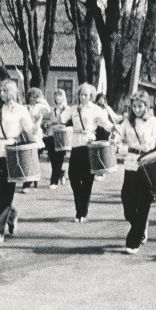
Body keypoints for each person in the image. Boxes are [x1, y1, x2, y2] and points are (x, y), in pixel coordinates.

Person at [113, 91, 156, 254]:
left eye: (140, 106)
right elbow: (118, 134)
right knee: (127, 200)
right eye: (134, 106)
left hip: (148, 164)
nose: (137, 109)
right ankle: (140, 226)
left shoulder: (154, 122)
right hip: (131, 163)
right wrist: (115, 138)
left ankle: (133, 242)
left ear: (146, 106)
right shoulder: (127, 122)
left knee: (144, 202)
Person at [0, 79, 35, 244]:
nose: (3, 94)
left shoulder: (20, 110)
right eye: (1, 91)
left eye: (6, 91)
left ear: (13, 92)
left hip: (12, 153)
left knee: (6, 194)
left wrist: (37, 124)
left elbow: (29, 130)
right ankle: (11, 215)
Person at [58, 83, 114, 222]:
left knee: (87, 180)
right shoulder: (73, 109)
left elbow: (105, 123)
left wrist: (114, 128)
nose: (83, 97)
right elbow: (62, 119)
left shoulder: (95, 109)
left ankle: (82, 213)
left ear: (91, 96)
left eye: (86, 95)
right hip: (76, 146)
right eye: (81, 94)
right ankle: (79, 208)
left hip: (90, 147)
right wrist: (62, 108)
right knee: (73, 177)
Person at [20, 87, 51, 192]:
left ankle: (28, 182)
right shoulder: (25, 107)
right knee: (27, 158)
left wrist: (41, 99)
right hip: (26, 134)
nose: (32, 99)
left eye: (35, 97)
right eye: (31, 96)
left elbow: (48, 109)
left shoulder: (39, 107)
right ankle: (29, 180)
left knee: (34, 158)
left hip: (36, 135)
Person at [42, 89, 69, 189]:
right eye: (56, 96)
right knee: (52, 158)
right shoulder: (52, 109)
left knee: (59, 158)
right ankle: (60, 173)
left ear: (64, 97)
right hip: (51, 135)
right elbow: (48, 121)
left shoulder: (67, 109)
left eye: (60, 95)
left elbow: (67, 122)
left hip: (61, 135)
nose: (58, 98)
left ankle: (54, 181)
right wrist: (46, 124)